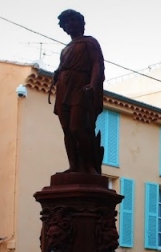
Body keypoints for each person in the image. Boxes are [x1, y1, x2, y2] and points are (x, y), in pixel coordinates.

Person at [51, 9, 105, 175]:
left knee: (77, 127)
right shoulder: (66, 49)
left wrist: (92, 85)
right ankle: (74, 165)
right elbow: (63, 67)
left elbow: (97, 65)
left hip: (80, 87)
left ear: (81, 23)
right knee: (67, 129)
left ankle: (89, 166)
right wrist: (57, 74)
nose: (69, 25)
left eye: (72, 21)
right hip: (64, 88)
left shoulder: (90, 43)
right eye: (66, 23)